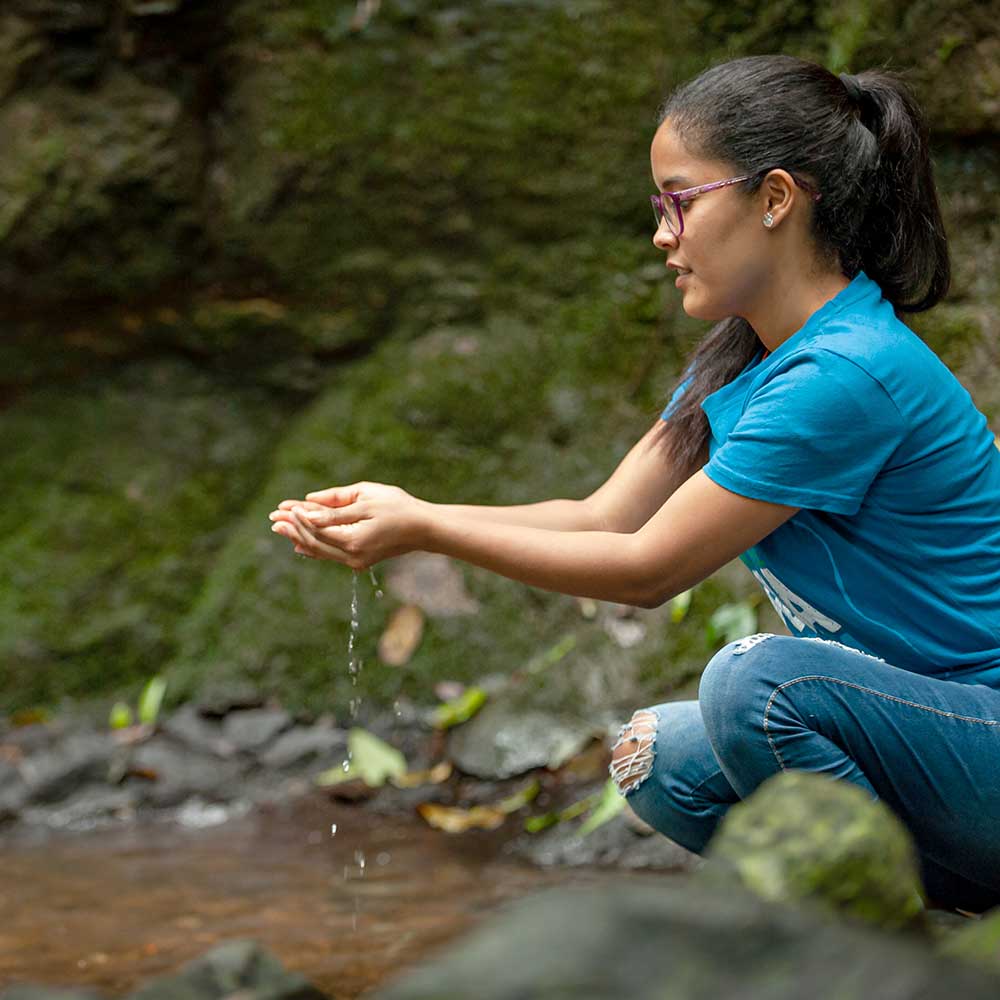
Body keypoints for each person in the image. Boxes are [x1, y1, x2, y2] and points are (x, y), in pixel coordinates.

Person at [269, 54, 1000, 913]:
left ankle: (889, 938)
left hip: (977, 728)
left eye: (679, 201)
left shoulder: (845, 372)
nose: (662, 234)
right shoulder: (742, 358)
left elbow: (647, 571)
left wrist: (428, 531)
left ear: (774, 199)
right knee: (653, 757)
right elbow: (603, 517)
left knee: (755, 686)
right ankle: (941, 911)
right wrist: (409, 511)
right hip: (930, 747)